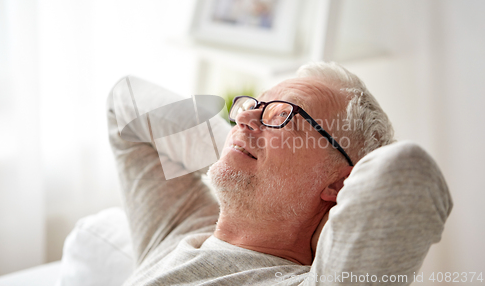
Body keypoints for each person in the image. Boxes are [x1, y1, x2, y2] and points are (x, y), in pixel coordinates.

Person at [107, 62, 452, 285]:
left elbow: (406, 170)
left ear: (339, 182)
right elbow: (125, 100)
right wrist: (236, 147)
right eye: (252, 105)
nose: (243, 118)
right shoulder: (179, 226)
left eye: (282, 115)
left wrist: (320, 229)